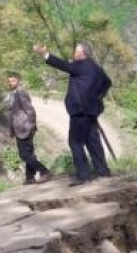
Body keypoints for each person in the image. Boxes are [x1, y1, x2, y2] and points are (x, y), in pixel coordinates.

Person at [34, 42, 113, 185]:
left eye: (76, 51)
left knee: (75, 142)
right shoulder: (96, 68)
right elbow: (108, 82)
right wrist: (98, 97)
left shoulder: (80, 65)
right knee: (93, 141)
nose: (73, 54)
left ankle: (84, 176)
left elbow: (62, 65)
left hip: (80, 111)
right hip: (91, 111)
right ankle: (103, 171)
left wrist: (45, 54)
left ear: (82, 53)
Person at [6, 72, 52, 185]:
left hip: (25, 128)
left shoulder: (21, 93)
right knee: (29, 153)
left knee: (24, 154)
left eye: (13, 81)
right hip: (19, 129)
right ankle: (29, 177)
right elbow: (13, 114)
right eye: (9, 81)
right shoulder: (13, 93)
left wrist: (31, 126)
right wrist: (12, 130)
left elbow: (30, 110)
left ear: (19, 81)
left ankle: (44, 171)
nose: (11, 83)